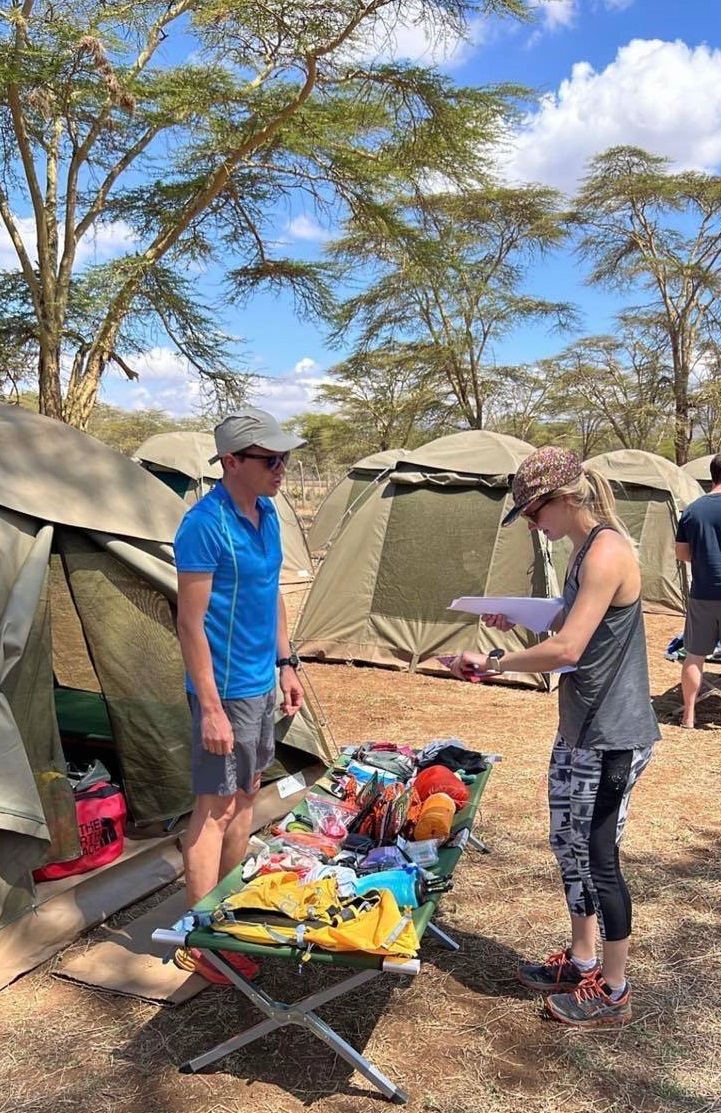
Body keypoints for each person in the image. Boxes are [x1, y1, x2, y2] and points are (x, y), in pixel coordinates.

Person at [450, 446, 660, 1028]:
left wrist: (493, 660)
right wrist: (515, 619)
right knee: (569, 844)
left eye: (534, 512)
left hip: (612, 734)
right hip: (580, 727)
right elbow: (571, 626)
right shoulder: (580, 550)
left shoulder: (607, 551)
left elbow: (568, 649)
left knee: (599, 854)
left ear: (564, 499)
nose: (533, 524)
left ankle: (613, 987)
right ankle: (583, 957)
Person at [172, 408, 306, 983]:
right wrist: (208, 707)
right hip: (222, 692)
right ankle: (200, 938)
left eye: (285, 458)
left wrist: (286, 661)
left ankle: (225, 909)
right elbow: (189, 623)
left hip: (259, 683)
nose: (282, 468)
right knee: (213, 809)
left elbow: (271, 590)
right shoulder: (203, 525)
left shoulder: (269, 513)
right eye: (270, 459)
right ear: (231, 462)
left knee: (248, 797)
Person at [675, 453, 721, 729]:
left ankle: (689, 716)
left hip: (702, 592)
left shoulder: (692, 510)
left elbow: (681, 552)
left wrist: (706, 556)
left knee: (695, 655)